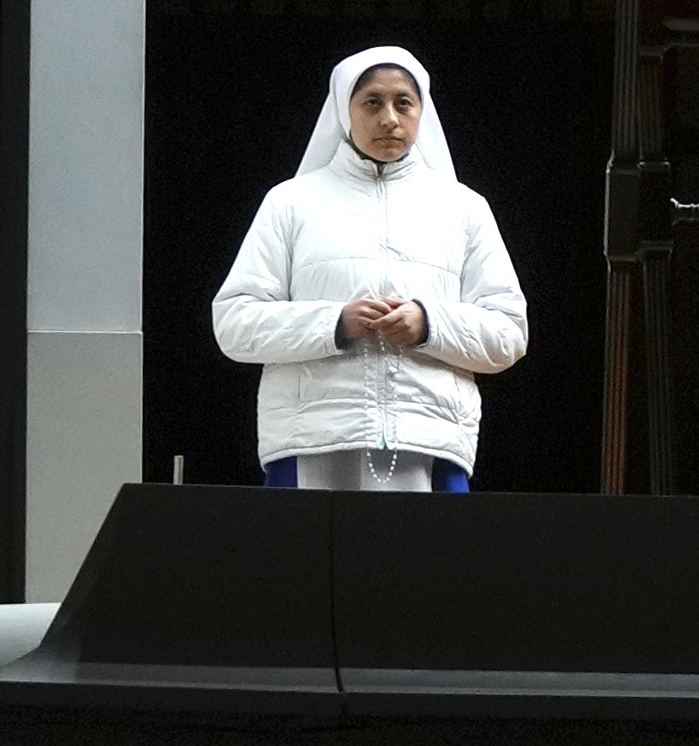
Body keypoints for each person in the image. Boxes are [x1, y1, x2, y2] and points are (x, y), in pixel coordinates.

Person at [211, 45, 529, 492]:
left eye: (404, 102)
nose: (389, 119)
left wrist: (428, 323)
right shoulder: (290, 202)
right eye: (372, 102)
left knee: (428, 563)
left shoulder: (464, 209)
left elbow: (510, 332)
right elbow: (234, 323)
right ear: (345, 110)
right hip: (310, 441)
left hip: (430, 440)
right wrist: (334, 322)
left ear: (422, 110)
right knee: (302, 562)